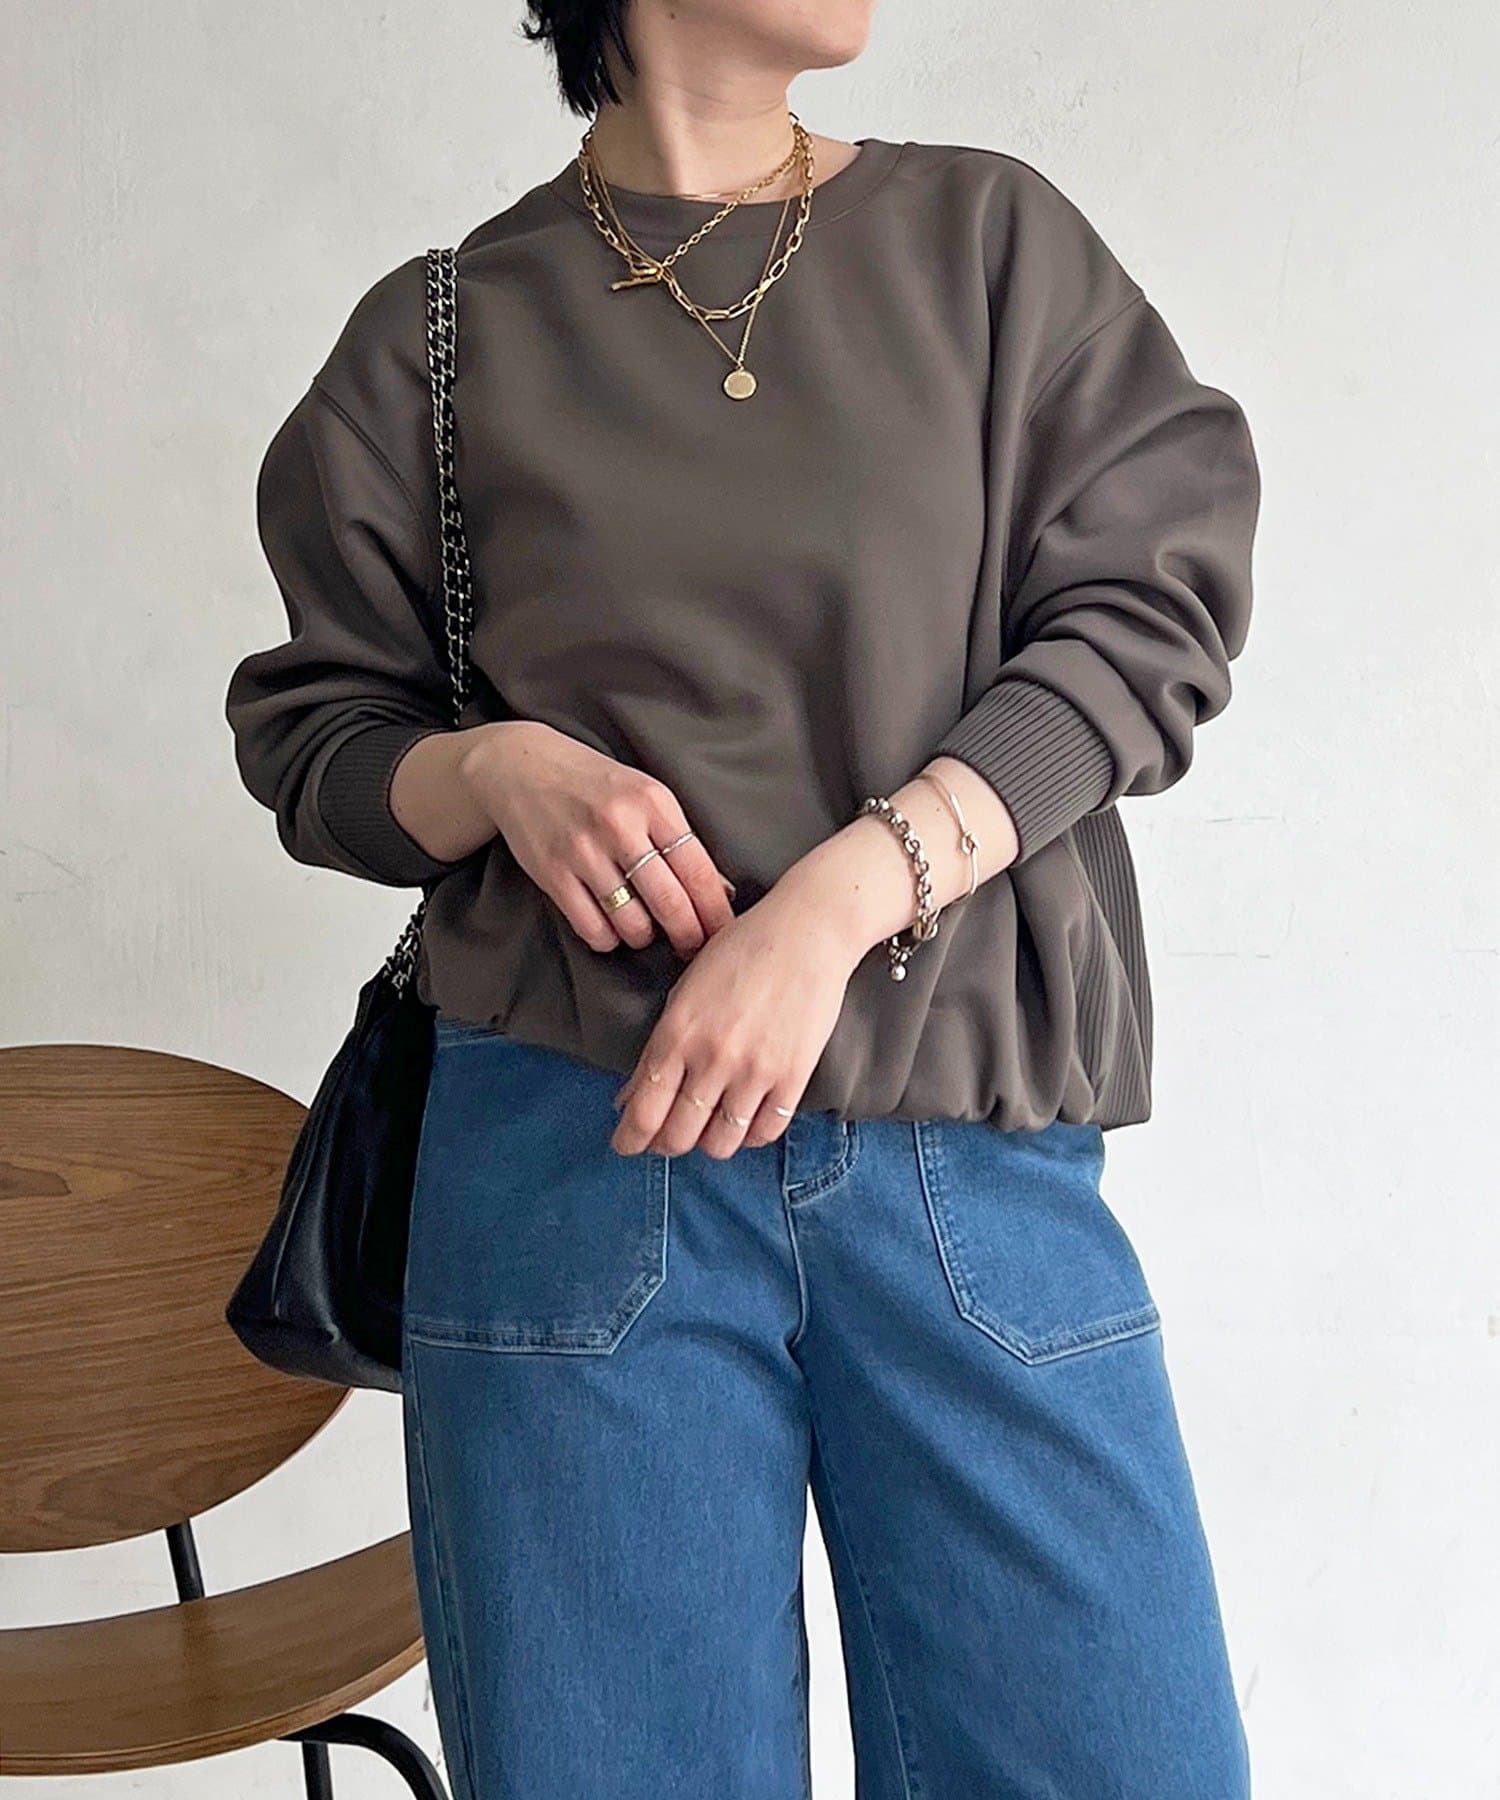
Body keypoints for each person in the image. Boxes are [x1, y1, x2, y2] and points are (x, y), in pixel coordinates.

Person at [225, 2, 1261, 1793]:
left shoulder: (986, 242)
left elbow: (1148, 617)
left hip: (962, 1154)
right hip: (575, 1149)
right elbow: (318, 735)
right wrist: (495, 771)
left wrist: (845, 898)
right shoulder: (441, 336)